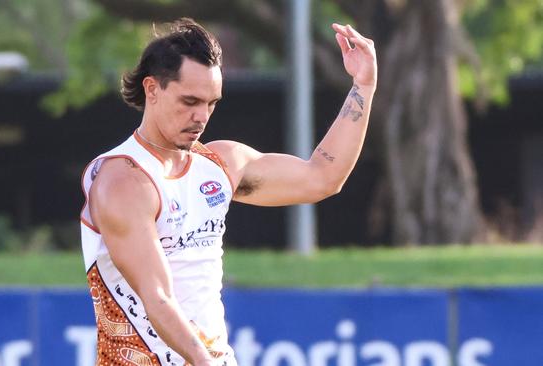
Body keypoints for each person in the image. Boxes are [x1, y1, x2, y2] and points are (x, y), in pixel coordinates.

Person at [80, 18, 377, 366]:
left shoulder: (220, 164)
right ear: (152, 89)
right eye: (189, 101)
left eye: (211, 103)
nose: (201, 116)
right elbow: (158, 297)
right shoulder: (123, 181)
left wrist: (363, 85)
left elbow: (322, 177)